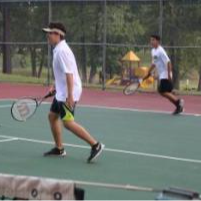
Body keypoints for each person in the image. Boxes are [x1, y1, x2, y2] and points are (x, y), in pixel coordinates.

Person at [42, 22, 104, 163]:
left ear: (58, 34)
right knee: (52, 116)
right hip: (62, 91)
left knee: (68, 123)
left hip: (68, 92)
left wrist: (70, 96)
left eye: (50, 33)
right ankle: (59, 149)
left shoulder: (63, 51)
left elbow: (69, 75)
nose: (48, 35)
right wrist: (54, 85)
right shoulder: (58, 49)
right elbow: (61, 73)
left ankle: (95, 145)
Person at [143, 34, 184, 115]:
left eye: (153, 40)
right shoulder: (153, 51)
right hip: (162, 74)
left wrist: (169, 75)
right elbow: (154, 64)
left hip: (166, 73)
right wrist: (148, 73)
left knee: (162, 91)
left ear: (158, 41)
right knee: (163, 92)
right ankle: (178, 105)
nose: (151, 42)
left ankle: (179, 102)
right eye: (151, 40)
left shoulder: (160, 51)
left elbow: (168, 62)